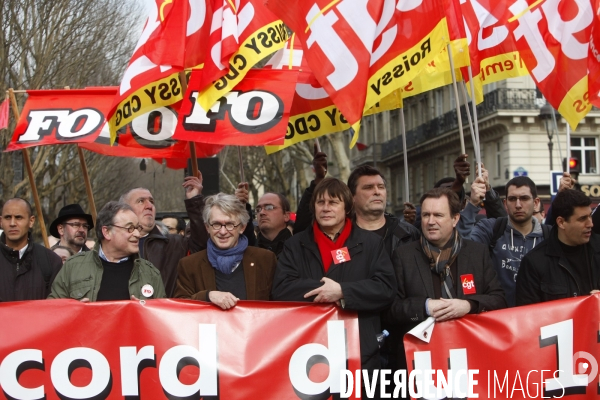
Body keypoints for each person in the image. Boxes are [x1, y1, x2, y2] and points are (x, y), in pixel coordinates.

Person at [272, 178, 397, 373]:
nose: (326, 208)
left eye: (333, 202)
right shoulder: (295, 245)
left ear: (347, 207)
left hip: (360, 351)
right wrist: (323, 292)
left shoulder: (371, 244)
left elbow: (385, 289)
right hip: (310, 351)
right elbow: (281, 289)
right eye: (320, 202)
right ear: (313, 207)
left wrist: (342, 291)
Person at [387, 188, 506, 373]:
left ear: (455, 219)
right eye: (426, 215)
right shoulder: (404, 255)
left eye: (438, 215)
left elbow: (498, 299)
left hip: (470, 358)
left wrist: (469, 306)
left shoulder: (477, 253)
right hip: (422, 361)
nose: (430, 221)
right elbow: (391, 309)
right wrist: (425, 307)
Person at [49, 201, 166, 301]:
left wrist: (142, 314)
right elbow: (54, 312)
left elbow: (161, 319)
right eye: (130, 228)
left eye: (137, 228)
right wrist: (75, 311)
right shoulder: (73, 267)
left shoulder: (150, 274)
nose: (137, 234)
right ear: (107, 232)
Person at [175, 194, 277, 308]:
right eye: (216, 224)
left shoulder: (265, 260)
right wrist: (208, 296)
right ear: (207, 227)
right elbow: (180, 306)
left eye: (230, 224)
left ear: (242, 227)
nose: (223, 232)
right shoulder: (189, 265)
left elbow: (280, 304)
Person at [119, 173, 207, 297]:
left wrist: (194, 201)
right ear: (125, 210)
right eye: (141, 201)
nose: (149, 206)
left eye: (151, 201)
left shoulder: (175, 245)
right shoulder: (114, 246)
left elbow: (201, 245)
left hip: (161, 314)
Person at [469, 176, 550, 307]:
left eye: (524, 198)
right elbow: (463, 247)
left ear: (536, 203)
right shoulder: (491, 229)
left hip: (539, 320)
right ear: (505, 204)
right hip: (499, 319)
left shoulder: (549, 236)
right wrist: (472, 205)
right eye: (512, 199)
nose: (518, 205)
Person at [516, 189, 600, 306]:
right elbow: (527, 316)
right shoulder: (534, 263)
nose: (590, 224)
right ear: (561, 222)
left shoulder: (597, 249)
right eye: (582, 219)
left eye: (590, 216)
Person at [0, 198, 63, 301]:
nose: (12, 223)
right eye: (7, 217)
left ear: (31, 221)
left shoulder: (51, 262)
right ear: (1, 221)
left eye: (18, 217)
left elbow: (56, 308)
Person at [255, 192, 291, 256]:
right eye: (258, 209)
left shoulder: (297, 250)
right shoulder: (249, 251)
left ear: (286, 215)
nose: (261, 212)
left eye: (269, 207)